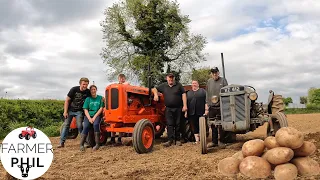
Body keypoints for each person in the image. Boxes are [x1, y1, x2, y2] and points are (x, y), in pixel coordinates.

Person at [152, 73, 187, 147]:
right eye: (169, 78)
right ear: (167, 78)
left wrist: (185, 105)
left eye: (172, 78)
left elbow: (183, 94)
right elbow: (154, 89)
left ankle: (177, 140)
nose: (171, 79)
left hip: (178, 107)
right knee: (169, 124)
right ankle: (170, 140)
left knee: (178, 124)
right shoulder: (164, 85)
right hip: (168, 108)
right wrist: (155, 94)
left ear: (174, 78)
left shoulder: (179, 85)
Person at [58, 77, 91, 148]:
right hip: (70, 110)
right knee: (66, 125)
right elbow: (67, 100)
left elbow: (92, 98)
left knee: (80, 125)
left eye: (86, 84)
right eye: (83, 84)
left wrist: (102, 99)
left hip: (79, 111)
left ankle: (84, 142)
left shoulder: (88, 92)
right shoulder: (74, 89)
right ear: (80, 84)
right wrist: (65, 111)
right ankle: (61, 143)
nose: (85, 86)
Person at [205, 67, 228, 148]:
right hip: (212, 106)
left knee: (221, 124)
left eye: (216, 72)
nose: (214, 74)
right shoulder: (209, 82)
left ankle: (222, 141)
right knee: (213, 124)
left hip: (221, 106)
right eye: (213, 72)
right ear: (211, 74)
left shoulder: (223, 80)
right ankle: (214, 142)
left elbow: (226, 92)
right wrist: (207, 104)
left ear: (218, 72)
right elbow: (207, 93)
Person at [107, 74, 129, 146]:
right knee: (112, 123)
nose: (122, 79)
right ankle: (112, 139)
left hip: (123, 108)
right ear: (118, 79)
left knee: (121, 125)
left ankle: (119, 139)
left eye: (123, 78)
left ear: (124, 79)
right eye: (120, 78)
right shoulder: (115, 86)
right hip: (113, 108)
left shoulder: (127, 85)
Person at [80, 85, 104, 151]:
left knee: (96, 125)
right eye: (92, 90)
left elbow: (101, 108)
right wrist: (90, 118)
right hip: (88, 115)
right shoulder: (88, 99)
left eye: (94, 89)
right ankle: (81, 145)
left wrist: (94, 117)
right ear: (90, 91)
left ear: (96, 90)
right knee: (86, 126)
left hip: (97, 115)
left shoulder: (100, 98)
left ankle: (97, 144)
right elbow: (85, 109)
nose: (93, 91)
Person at [185, 80, 206, 144]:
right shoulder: (188, 93)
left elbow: (206, 100)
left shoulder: (203, 91)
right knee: (194, 126)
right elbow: (186, 103)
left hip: (201, 111)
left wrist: (206, 109)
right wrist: (186, 112)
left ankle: (203, 139)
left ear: (198, 84)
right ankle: (197, 140)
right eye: (193, 83)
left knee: (201, 125)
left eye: (195, 83)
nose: (194, 84)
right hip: (192, 112)